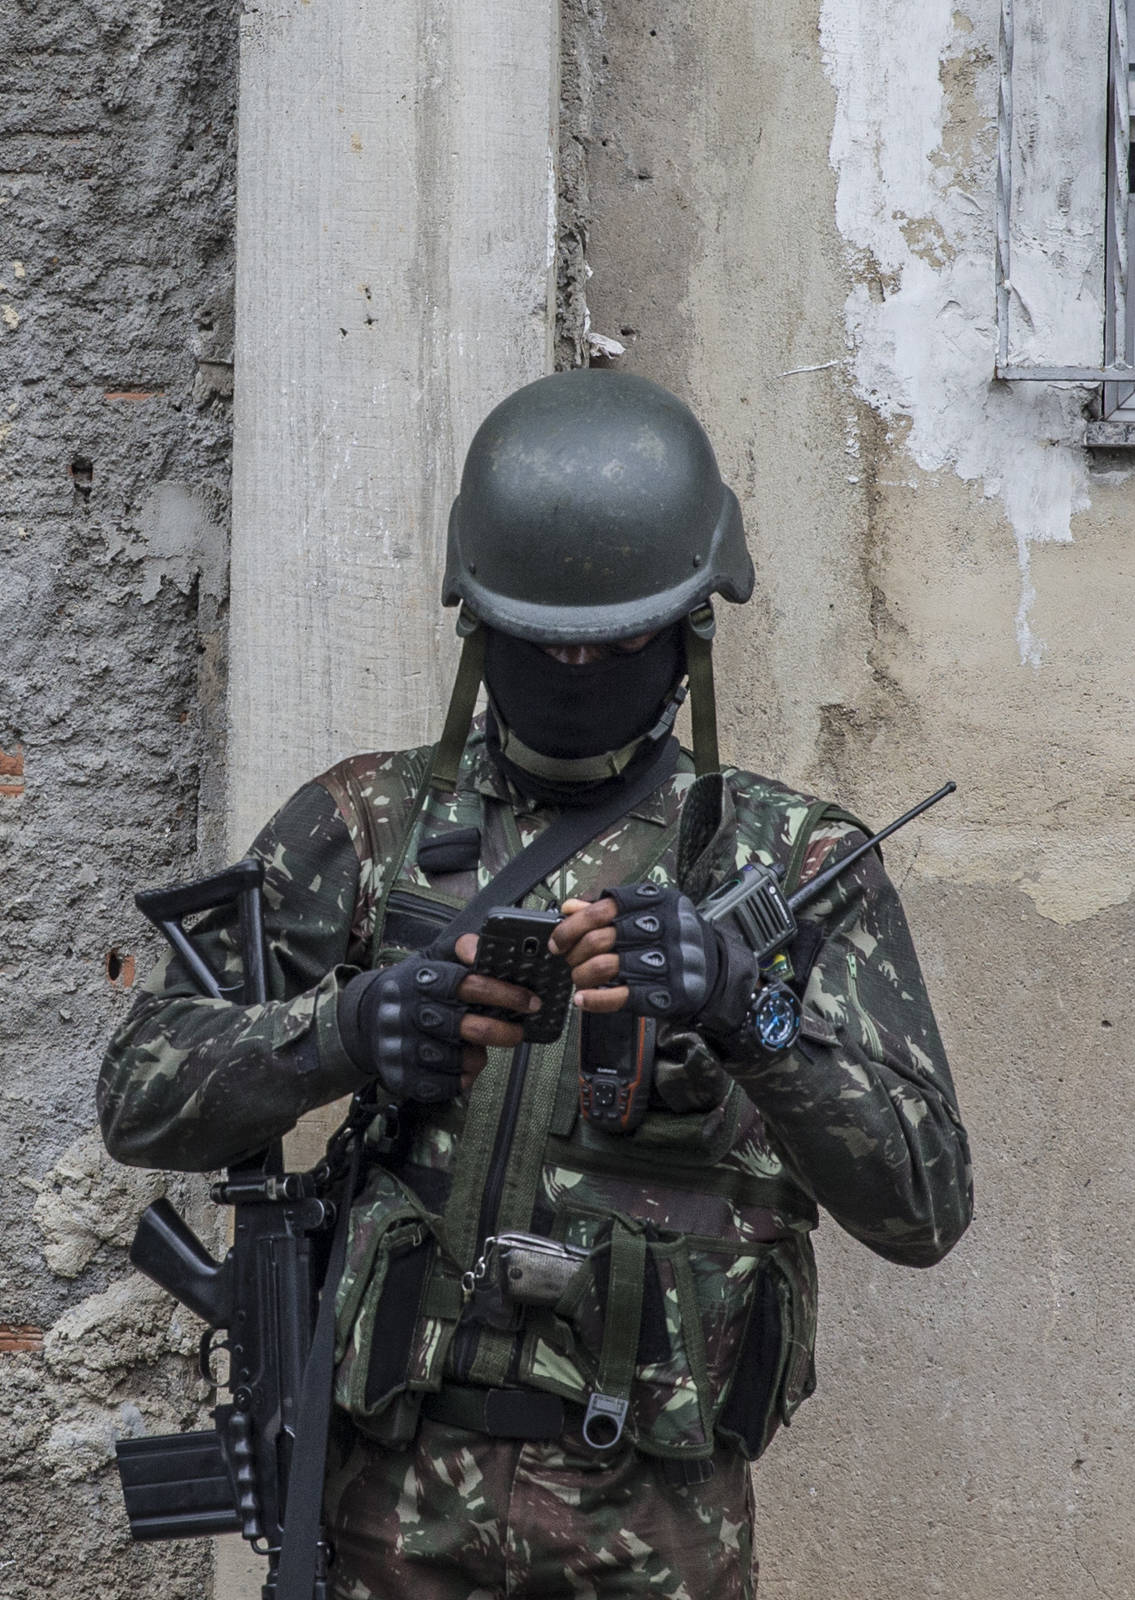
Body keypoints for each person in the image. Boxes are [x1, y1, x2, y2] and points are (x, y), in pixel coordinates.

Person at [99, 369, 972, 1599]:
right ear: (478, 630)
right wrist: (344, 1029)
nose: (573, 668)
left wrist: (746, 1010)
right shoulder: (371, 825)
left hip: (653, 1530)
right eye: (537, 642)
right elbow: (138, 1092)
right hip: (386, 1515)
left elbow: (925, 1204)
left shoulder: (797, 863)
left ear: (688, 633)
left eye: (613, 644)